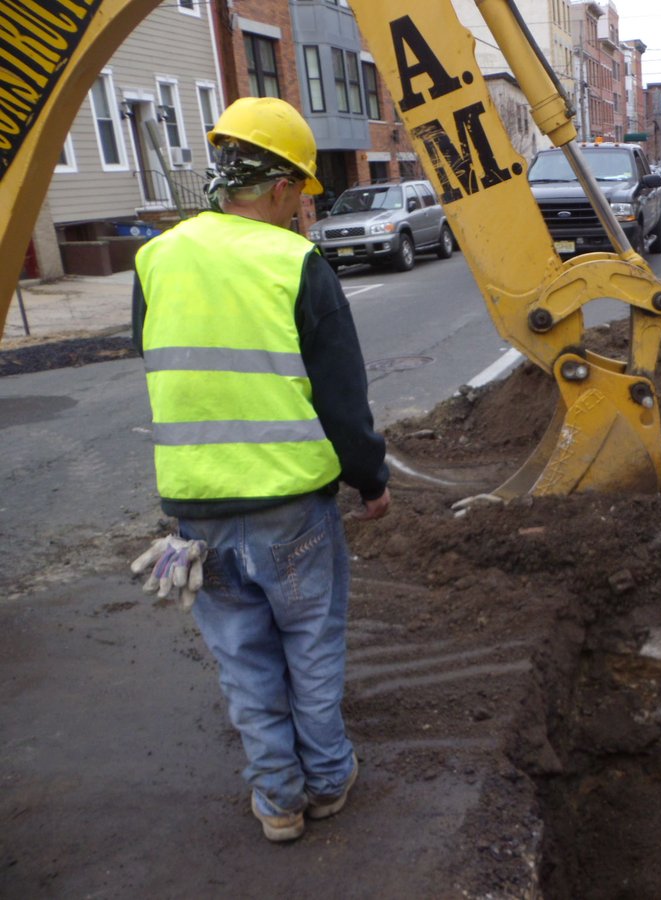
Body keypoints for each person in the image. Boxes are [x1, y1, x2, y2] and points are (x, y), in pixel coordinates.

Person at [132, 96, 391, 843]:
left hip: (196, 511)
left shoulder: (157, 257)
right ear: (279, 188)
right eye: (302, 193)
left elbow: (162, 360)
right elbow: (342, 398)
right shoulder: (295, 262)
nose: (303, 209)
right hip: (290, 505)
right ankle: (329, 779)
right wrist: (370, 481)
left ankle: (277, 800)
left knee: (244, 661)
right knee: (310, 648)